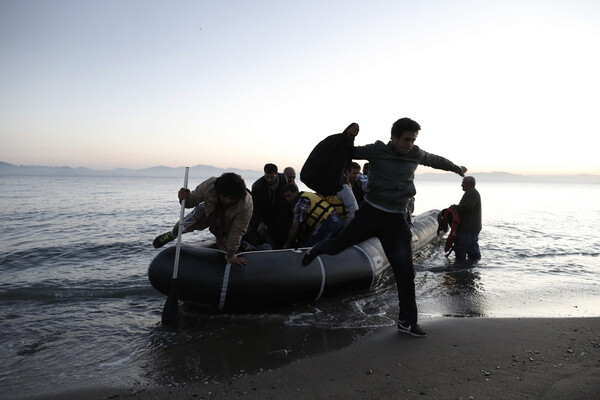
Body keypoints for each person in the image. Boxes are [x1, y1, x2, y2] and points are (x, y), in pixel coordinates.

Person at [301, 117, 467, 337]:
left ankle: (407, 321)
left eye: (413, 140)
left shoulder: (415, 154)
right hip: (370, 214)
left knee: (405, 273)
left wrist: (456, 169)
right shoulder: (378, 150)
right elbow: (347, 151)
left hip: (396, 221)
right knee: (335, 246)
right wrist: (348, 135)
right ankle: (317, 249)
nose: (409, 144)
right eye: (406, 140)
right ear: (394, 137)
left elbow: (435, 160)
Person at [152, 172, 253, 266]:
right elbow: (191, 201)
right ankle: (172, 234)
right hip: (208, 211)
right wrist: (185, 197)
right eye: (224, 196)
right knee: (186, 223)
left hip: (227, 224)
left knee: (225, 251)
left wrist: (231, 254)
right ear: (219, 191)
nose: (228, 201)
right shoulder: (209, 185)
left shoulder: (246, 205)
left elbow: (237, 231)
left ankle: (238, 246)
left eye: (232, 198)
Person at [281, 184, 343, 248]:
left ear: (296, 192)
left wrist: (287, 243)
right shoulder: (308, 194)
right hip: (338, 219)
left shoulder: (299, 203)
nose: (288, 199)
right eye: (286, 197)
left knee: (308, 248)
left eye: (289, 196)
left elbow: (295, 226)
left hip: (330, 222)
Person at [248, 163, 291, 249]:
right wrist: (260, 222)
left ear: (276, 174)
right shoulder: (257, 186)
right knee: (265, 237)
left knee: (280, 236)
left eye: (271, 177)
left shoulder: (283, 179)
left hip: (279, 214)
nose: (269, 180)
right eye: (267, 177)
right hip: (264, 214)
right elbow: (255, 207)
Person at [450, 176, 481, 261]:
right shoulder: (471, 192)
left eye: (463, 183)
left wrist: (455, 207)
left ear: (470, 184)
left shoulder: (472, 193)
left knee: (461, 247)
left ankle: (461, 267)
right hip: (472, 227)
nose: (461, 185)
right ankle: (472, 267)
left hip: (468, 228)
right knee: (472, 248)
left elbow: (468, 207)